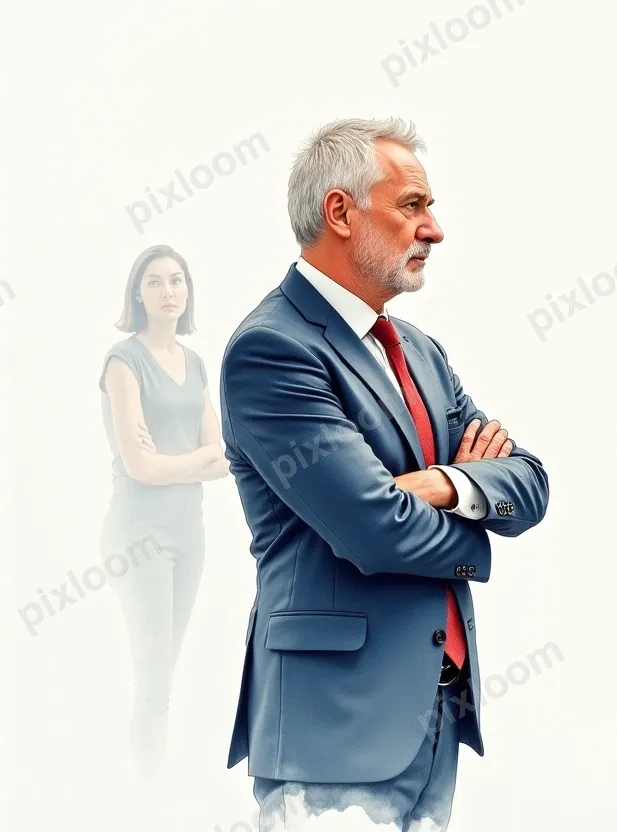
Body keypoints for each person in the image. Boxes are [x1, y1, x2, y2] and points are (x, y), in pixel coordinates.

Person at [220, 117, 550, 831]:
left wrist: (446, 484)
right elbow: (374, 531)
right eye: (412, 205)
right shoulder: (273, 350)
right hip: (333, 731)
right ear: (340, 212)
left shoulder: (420, 351)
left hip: (434, 719)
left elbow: (529, 483)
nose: (434, 229)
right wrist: (471, 523)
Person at [99, 244, 230, 781]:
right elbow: (139, 468)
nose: (168, 291)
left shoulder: (195, 362)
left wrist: (174, 462)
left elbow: (223, 457)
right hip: (139, 537)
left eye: (176, 280)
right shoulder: (122, 362)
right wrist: (194, 460)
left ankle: (150, 786)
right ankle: (146, 796)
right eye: (154, 282)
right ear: (138, 293)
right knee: (153, 681)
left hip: (188, 534)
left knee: (165, 676)